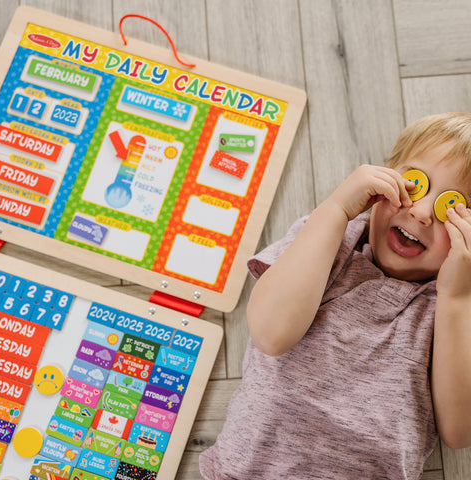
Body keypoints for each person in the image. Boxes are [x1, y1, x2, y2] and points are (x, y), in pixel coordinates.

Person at [199, 112, 471, 480]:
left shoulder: (454, 306)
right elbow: (270, 334)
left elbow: (458, 431)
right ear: (382, 176)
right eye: (414, 184)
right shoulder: (327, 238)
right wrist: (336, 208)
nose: (421, 212)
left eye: (451, 210)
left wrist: (457, 297)